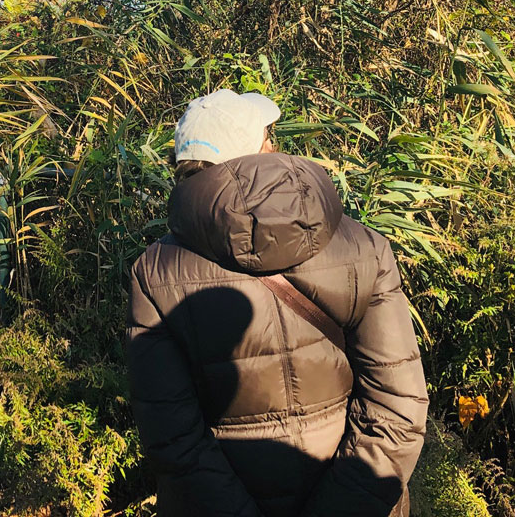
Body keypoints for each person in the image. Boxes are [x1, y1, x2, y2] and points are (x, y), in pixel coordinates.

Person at [126, 89, 428, 517]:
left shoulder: (156, 273)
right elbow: (398, 406)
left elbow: (174, 439)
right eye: (270, 136)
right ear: (261, 153)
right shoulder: (363, 247)